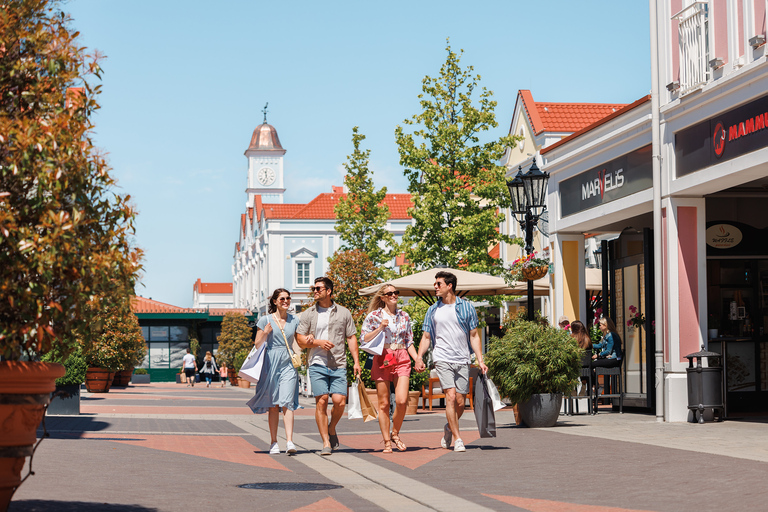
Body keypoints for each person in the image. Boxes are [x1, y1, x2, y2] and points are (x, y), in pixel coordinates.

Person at [414, 271, 487, 453]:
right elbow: (426, 336)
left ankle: (448, 428)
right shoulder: (432, 310)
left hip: (462, 359)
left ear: (450, 286)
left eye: (439, 283)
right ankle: (458, 438)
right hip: (442, 358)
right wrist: (419, 356)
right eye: (435, 283)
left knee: (461, 403)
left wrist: (480, 359)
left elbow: (474, 335)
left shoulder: (466, 307)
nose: (435, 287)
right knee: (451, 396)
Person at [296, 277, 360, 456]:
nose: (315, 291)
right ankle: (325, 442)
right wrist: (317, 342)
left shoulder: (344, 313)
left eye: (318, 288)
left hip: (338, 363)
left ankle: (332, 428)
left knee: (340, 402)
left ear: (329, 291)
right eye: (314, 288)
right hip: (317, 363)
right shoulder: (309, 313)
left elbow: (351, 337)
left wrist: (356, 361)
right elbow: (300, 339)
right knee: (322, 400)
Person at [360, 284, 418, 453]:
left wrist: (417, 359)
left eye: (396, 293)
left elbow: (409, 342)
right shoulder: (374, 316)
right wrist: (380, 328)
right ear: (383, 297)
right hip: (382, 357)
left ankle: (395, 433)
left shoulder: (404, 316)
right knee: (384, 404)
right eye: (390, 293)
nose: (394, 295)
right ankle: (387, 441)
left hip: (401, 356)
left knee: (401, 401)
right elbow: (364, 338)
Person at [246, 288, 301, 455]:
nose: (286, 301)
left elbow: (297, 342)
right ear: (275, 301)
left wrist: (299, 356)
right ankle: (274, 442)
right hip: (270, 362)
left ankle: (290, 442)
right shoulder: (265, 320)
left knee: (287, 402)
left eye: (288, 298)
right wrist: (266, 333)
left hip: (288, 363)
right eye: (282, 298)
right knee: (273, 405)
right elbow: (257, 344)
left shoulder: (294, 320)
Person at [591, 317, 623, 396]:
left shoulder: (611, 335)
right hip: (611, 359)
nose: (599, 326)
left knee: (591, 365)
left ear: (606, 326)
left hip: (614, 360)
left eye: (601, 325)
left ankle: (596, 387)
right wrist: (589, 345)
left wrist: (598, 355)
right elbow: (600, 345)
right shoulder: (607, 335)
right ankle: (596, 386)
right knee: (592, 365)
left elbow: (608, 351)